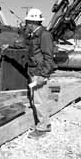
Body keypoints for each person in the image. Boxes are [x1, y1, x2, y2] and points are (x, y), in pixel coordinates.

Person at [24, 8, 54, 139]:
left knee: (39, 100)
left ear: (31, 22)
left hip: (39, 72)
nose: (26, 25)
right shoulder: (34, 34)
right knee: (36, 98)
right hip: (34, 70)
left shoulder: (44, 35)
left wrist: (44, 75)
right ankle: (41, 123)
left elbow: (49, 56)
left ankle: (43, 128)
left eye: (27, 22)